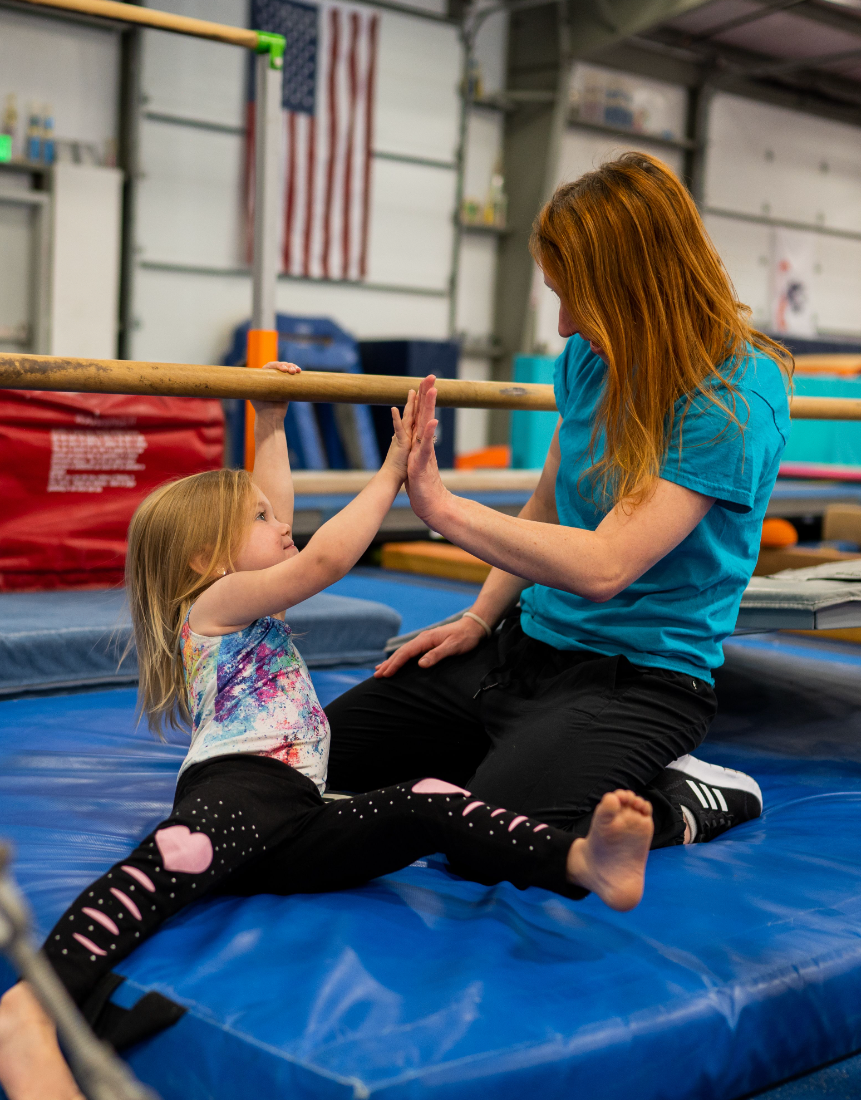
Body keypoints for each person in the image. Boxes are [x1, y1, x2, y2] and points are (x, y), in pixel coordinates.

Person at [0, 363, 658, 1100]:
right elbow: (328, 557)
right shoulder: (216, 604)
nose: (283, 525)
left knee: (427, 799)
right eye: (262, 522)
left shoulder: (237, 591)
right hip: (238, 789)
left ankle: (581, 862)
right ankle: (27, 1013)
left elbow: (287, 519)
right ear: (208, 559)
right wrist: (395, 471)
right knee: (164, 868)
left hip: (297, 816)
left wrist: (270, 421)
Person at [327, 150, 793, 854]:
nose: (567, 324)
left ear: (641, 288)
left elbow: (605, 566)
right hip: (526, 650)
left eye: (578, 297)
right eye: (558, 295)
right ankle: (526, 761)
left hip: (639, 680)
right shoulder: (590, 360)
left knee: (490, 840)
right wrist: (481, 617)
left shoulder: (731, 398)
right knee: (320, 755)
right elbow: (546, 503)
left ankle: (686, 795)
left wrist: (443, 508)